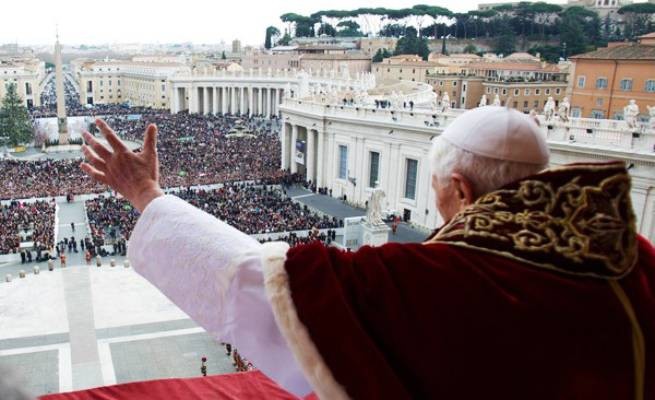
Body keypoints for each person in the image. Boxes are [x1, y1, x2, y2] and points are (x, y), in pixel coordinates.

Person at [80, 111, 655, 399]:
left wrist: (146, 196)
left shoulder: (431, 279)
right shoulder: (636, 260)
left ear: (460, 190)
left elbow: (269, 293)